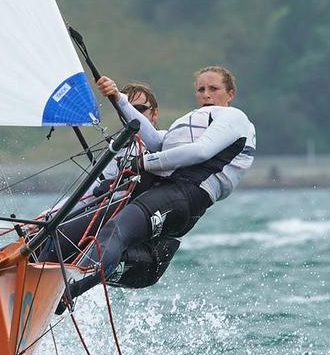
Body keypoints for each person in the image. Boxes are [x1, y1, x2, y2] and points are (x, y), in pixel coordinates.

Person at [55, 66, 256, 311]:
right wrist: (120, 99)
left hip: (188, 195)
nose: (206, 95)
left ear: (230, 93)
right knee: (66, 235)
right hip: (164, 192)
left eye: (214, 89)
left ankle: (69, 291)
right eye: (201, 89)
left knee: (115, 231)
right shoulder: (191, 120)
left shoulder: (234, 117)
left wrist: (142, 162)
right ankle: (39, 273)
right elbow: (157, 142)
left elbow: (201, 151)